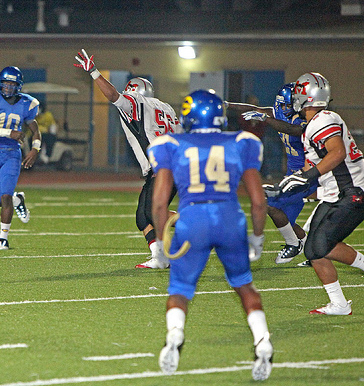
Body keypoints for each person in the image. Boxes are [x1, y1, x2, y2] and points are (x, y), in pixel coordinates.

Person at [149, 90, 273, 380]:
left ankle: (175, 335)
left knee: (180, 288)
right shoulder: (242, 141)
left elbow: (159, 203)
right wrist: (257, 238)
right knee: (244, 286)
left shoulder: (171, 144)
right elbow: (258, 201)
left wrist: (161, 243)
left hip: (192, 219)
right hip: (230, 218)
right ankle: (262, 341)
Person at [74, 49, 182, 269]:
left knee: (153, 212)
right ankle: (159, 257)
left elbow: (114, 96)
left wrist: (94, 72)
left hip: (164, 166)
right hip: (171, 165)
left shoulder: (137, 102)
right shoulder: (166, 108)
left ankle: (196, 222)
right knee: (142, 217)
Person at [276, 72, 364, 315]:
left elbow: (337, 153)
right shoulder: (314, 125)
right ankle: (339, 304)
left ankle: (340, 303)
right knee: (314, 249)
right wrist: (283, 187)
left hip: (352, 191)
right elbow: (310, 168)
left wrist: (307, 177)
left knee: (321, 245)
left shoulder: (323, 120)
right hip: (335, 193)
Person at [226, 84, 318, 266]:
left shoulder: (304, 118)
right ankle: (314, 253)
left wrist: (266, 119)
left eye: (290, 105)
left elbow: (294, 130)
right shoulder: (277, 112)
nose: (287, 108)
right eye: (284, 105)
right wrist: (227, 104)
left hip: (309, 173)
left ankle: (294, 244)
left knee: (270, 203)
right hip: (293, 174)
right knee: (285, 217)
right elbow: (253, 108)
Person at [0, 66, 42, 250]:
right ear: (0, 83)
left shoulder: (27, 104)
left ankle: (3, 238)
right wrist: (9, 133)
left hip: (12, 154)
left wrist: (35, 149)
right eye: (6, 83)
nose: (8, 87)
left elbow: (36, 131)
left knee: (5, 196)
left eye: (12, 84)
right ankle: (17, 199)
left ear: (18, 86)